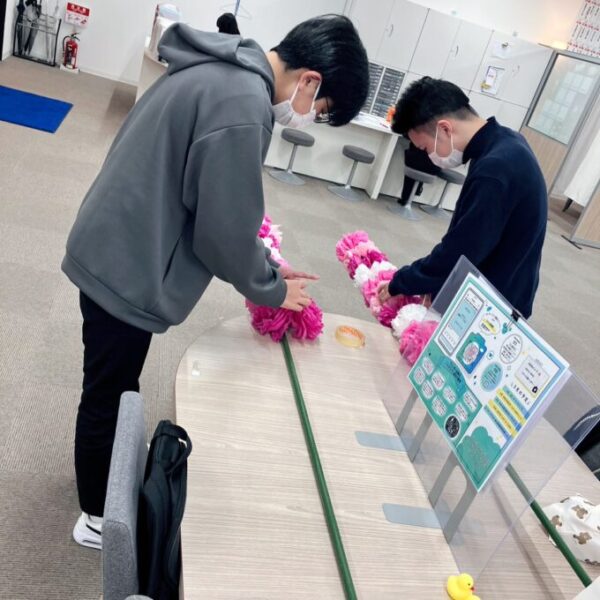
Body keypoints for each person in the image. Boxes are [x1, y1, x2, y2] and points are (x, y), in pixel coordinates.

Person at [62, 14, 369, 549]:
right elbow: (223, 231)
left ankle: (107, 479)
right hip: (127, 262)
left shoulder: (218, 67)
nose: (310, 119)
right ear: (310, 80)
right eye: (320, 110)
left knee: (116, 383)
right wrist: (274, 289)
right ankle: (95, 516)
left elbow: (215, 202)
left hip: (118, 238)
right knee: (108, 392)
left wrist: (267, 265)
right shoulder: (244, 104)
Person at [378, 76, 547, 319]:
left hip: (494, 301)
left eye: (425, 147)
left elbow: (463, 249)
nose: (428, 155)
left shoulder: (495, 169)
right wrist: (436, 285)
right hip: (505, 283)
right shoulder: (506, 142)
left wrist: (403, 282)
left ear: (445, 129)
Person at [397, 141, 441, 206]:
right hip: (434, 168)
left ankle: (405, 197)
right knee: (422, 158)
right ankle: (416, 190)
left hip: (417, 162)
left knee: (415, 156)